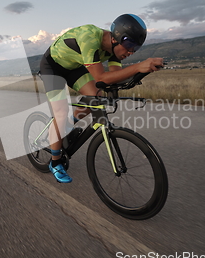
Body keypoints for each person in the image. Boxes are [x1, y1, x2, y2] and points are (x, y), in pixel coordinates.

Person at [39, 14, 163, 183]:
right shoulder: (90, 37)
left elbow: (113, 77)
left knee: (95, 97)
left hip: (74, 67)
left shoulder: (115, 51)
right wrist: (138, 66)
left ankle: (67, 126)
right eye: (129, 45)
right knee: (61, 113)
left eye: (136, 48)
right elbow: (101, 78)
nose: (131, 52)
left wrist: (142, 72)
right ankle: (55, 162)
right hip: (53, 66)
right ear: (115, 39)